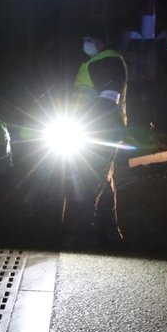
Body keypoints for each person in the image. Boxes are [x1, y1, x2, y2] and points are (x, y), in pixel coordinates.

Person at [62, 30, 128, 248]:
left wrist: (81, 124)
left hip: (96, 130)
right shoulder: (100, 61)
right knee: (104, 180)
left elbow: (108, 100)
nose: (84, 43)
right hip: (100, 129)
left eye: (88, 39)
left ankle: (83, 236)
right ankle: (109, 233)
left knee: (88, 182)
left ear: (99, 41)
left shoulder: (106, 60)